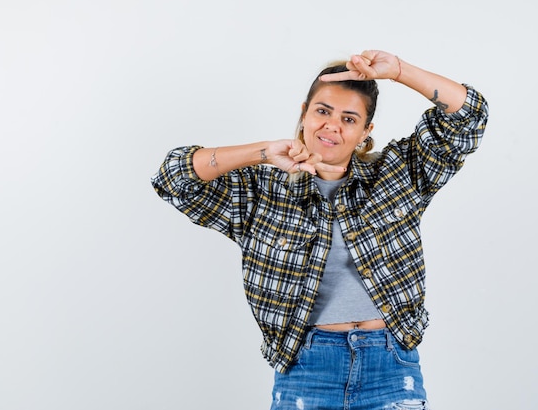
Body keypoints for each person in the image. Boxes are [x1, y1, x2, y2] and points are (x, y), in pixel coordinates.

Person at [151, 49, 489, 410]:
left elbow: (469, 117)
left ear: (364, 132)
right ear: (304, 113)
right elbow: (173, 178)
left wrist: (399, 71)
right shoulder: (260, 192)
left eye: (349, 118)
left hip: (391, 369)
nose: (332, 126)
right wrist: (264, 152)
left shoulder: (398, 174)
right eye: (323, 111)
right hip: (307, 371)